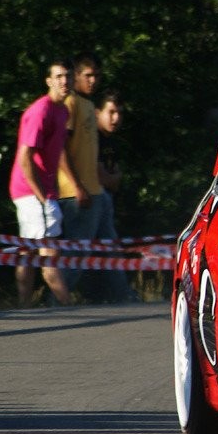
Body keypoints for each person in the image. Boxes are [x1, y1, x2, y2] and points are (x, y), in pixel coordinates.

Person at [8, 59, 74, 307]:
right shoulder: (41, 111)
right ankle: (67, 305)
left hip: (44, 191)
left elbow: (56, 153)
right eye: (58, 76)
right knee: (49, 253)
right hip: (29, 190)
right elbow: (25, 158)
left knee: (28, 250)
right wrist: (41, 196)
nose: (64, 81)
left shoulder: (63, 110)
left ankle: (23, 307)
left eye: (67, 76)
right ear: (49, 81)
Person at [56, 53, 105, 294]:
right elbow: (61, 148)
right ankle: (56, 301)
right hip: (74, 192)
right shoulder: (71, 103)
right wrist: (76, 186)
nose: (93, 80)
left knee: (104, 249)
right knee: (75, 254)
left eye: (96, 75)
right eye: (88, 75)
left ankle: (120, 297)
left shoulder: (89, 104)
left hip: (95, 190)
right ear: (76, 76)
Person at [82, 89, 135, 303]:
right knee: (82, 251)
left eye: (119, 113)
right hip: (91, 198)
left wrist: (113, 177)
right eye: (111, 112)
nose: (116, 118)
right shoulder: (94, 138)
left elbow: (115, 175)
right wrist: (112, 178)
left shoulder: (111, 140)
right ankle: (58, 298)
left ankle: (120, 295)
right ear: (97, 113)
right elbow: (103, 177)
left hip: (105, 199)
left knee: (109, 249)